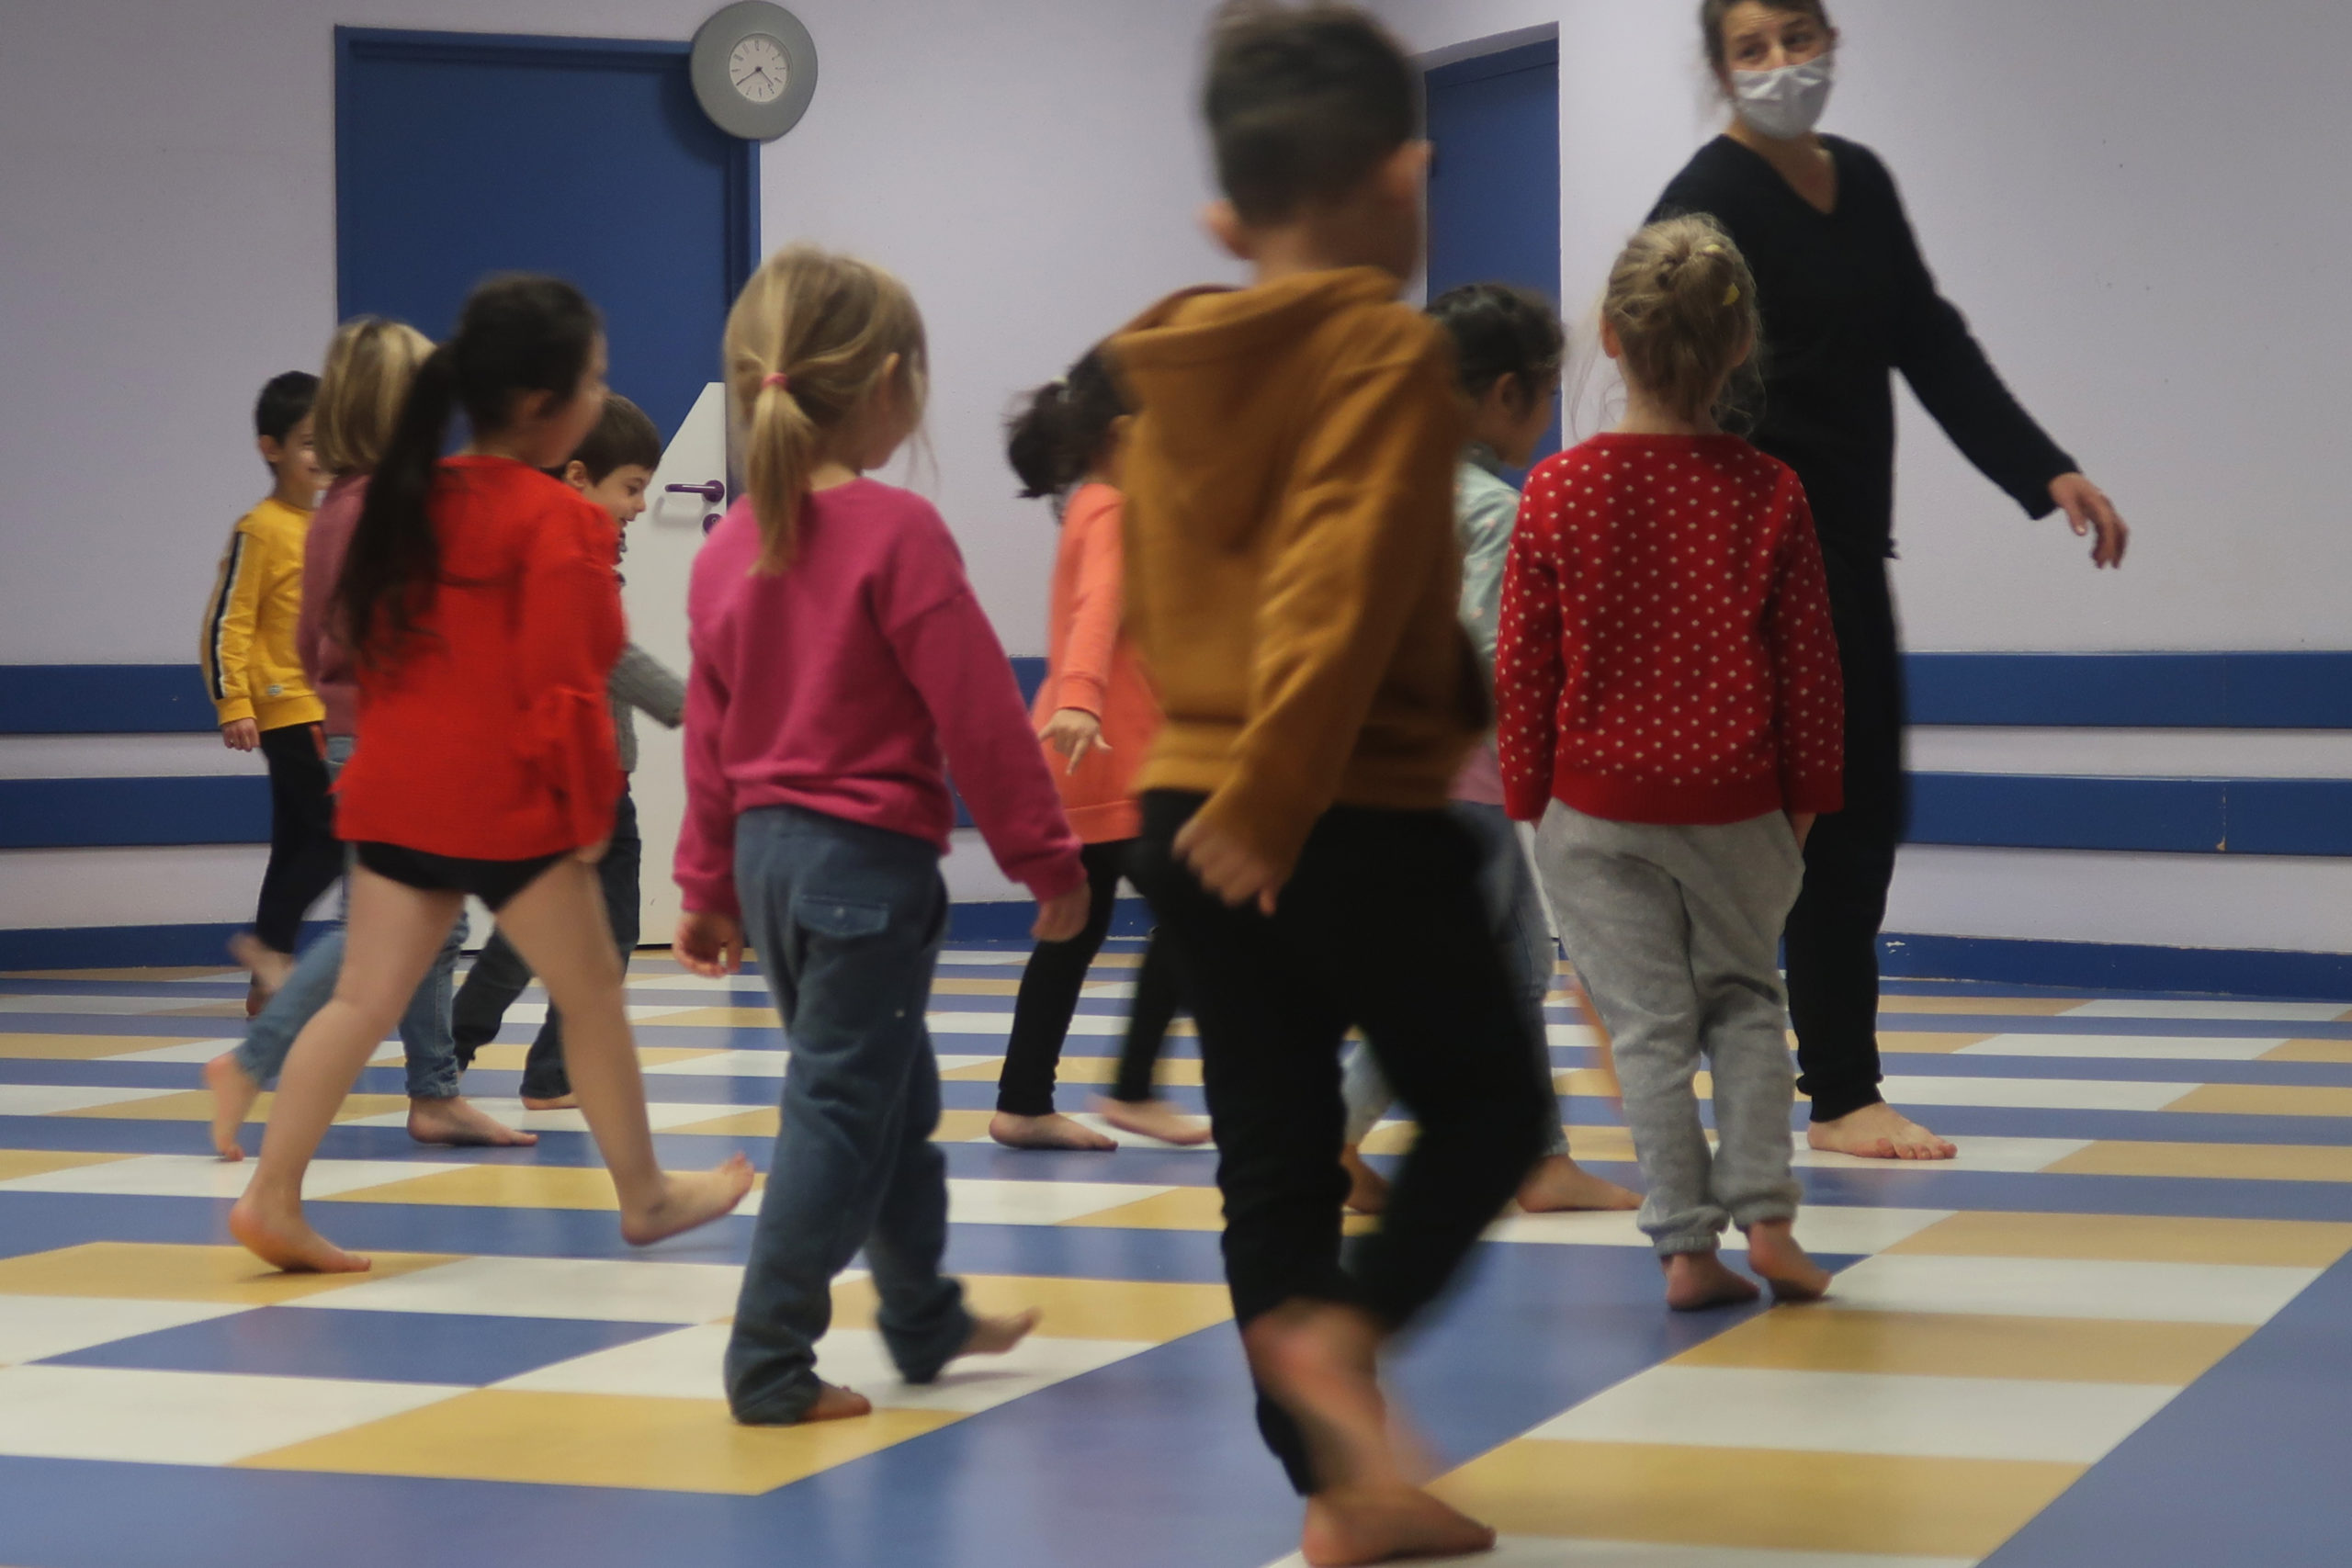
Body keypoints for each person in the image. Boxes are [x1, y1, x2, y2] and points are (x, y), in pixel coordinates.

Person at [1114, 6, 1551, 1561]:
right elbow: (1346, 584)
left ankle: (1340, 1488)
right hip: (1331, 798)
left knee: (1277, 1155)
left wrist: (1226, 785)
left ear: (1229, 218)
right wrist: (1283, 785)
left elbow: (1167, 601)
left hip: (1189, 802)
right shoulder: (1383, 350)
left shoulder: (1168, 375)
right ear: (1404, 178)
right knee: (1492, 1104)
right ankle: (1346, 1336)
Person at [1651, 0, 2130, 1161]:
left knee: (1858, 811)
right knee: (1757, 824)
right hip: (1745, 556)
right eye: (1751, 49)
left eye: (1797, 36)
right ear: (1719, 68)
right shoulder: (1704, 201)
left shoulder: (1857, 181)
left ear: (1829, 41)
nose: (1781, 64)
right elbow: (1662, 377)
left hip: (1846, 550)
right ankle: (1744, 1070)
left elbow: (1928, 337)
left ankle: (1838, 1093)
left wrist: (2042, 467)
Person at [226, 275, 753, 1274]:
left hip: (394, 792)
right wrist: (588, 814)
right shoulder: (562, 521)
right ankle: (645, 1194)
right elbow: (571, 684)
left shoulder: (405, 497)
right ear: (544, 405)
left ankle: (272, 1195)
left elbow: (340, 639)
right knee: (592, 991)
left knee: (360, 1000)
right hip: (505, 805)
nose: (600, 397)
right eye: (593, 381)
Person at [672, 245, 1089, 1427]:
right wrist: (1045, 860)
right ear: (893, 383)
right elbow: (979, 716)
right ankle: (768, 1360)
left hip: (768, 866)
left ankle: (922, 1316)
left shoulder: (725, 545)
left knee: (892, 1098)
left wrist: (705, 885)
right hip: (862, 870)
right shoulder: (897, 532)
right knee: (842, 1110)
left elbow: (709, 735)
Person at [1498, 217, 1843, 1311]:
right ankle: (1771, 1223)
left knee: (1645, 1029)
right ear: (1738, 346)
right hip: (1739, 807)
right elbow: (1810, 671)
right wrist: (1804, 808)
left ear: (1609, 336)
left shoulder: (1555, 490)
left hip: (1594, 809)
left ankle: (1685, 1251)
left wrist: (1530, 798)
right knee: (1746, 1005)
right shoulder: (1770, 491)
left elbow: (1524, 669)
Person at [1335, 283, 1640, 1219]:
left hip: (1377, 780)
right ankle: (1330, 1132)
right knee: (1456, 983)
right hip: (1455, 789)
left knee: (1514, 967)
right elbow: (1485, 661)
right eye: (1545, 395)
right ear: (1505, 393)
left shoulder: (1377, 492)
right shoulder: (1493, 512)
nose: (1547, 415)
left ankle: (1538, 1159)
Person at [206, 316, 526, 1158]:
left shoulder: (340, 507)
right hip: (401, 742)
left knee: (425, 927)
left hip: (369, 735)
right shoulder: (388, 509)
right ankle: (258, 1062)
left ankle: (434, 1092)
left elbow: (312, 638)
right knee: (390, 929)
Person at [990, 349, 1208, 1153]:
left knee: (1073, 929)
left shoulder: (1093, 503)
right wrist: (1081, 696)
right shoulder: (1112, 508)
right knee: (1200, 910)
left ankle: (1023, 1101)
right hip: (1115, 757)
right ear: (1123, 434)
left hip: (1083, 757)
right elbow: (1098, 607)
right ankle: (1134, 1085)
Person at [450, 393, 684, 1110]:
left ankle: (543, 1072)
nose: (641, 506)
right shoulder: (556, 558)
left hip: (605, 782)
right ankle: (462, 1049)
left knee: (594, 937)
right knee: (546, 938)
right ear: (578, 476)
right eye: (632, 487)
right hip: (566, 785)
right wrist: (692, 704)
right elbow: (605, 653)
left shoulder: (587, 551)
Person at [200, 370, 340, 1010]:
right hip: (291, 708)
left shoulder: (329, 523)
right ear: (271, 448)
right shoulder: (259, 527)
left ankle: (265, 980)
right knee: (339, 835)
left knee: (295, 843)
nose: (322, 454)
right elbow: (227, 622)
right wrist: (234, 703)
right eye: (309, 442)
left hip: (325, 706)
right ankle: (268, 947)